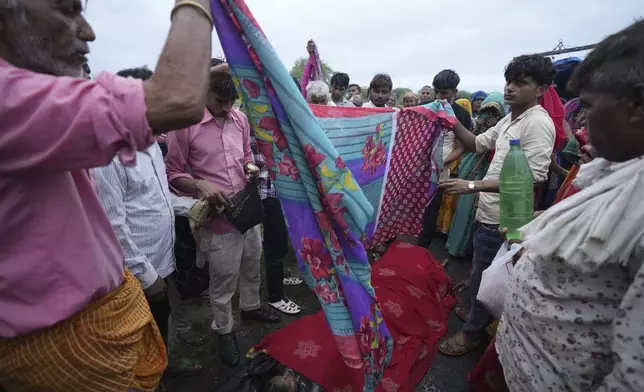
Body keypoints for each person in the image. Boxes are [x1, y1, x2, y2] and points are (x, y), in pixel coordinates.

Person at [0, 0, 214, 391]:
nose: (88, 31)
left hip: (105, 309)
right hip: (64, 345)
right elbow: (178, 97)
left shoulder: (43, 122)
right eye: (67, 9)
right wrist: (198, 5)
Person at [497, 20, 644, 391]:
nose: (579, 120)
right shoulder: (617, 170)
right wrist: (542, 221)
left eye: (589, 106)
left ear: (638, 106)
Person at [437, 54, 556, 356]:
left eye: (521, 83)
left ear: (540, 89)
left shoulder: (538, 124)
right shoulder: (509, 118)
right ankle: (479, 314)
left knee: (486, 275)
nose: (510, 89)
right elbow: (477, 143)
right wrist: (451, 120)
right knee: (481, 272)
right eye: (509, 82)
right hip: (487, 212)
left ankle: (472, 334)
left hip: (503, 219)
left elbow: (533, 179)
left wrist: (472, 185)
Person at [165, 64, 280, 368]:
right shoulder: (184, 125)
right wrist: (198, 184)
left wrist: (249, 169)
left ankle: (252, 306)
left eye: (231, 101)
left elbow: (244, 156)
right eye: (219, 100)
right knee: (223, 282)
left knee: (253, 263)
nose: (226, 107)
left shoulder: (240, 119)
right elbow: (172, 172)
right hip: (218, 220)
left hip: (248, 209)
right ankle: (224, 329)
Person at [94, 66, 203, 378]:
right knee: (136, 332)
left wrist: (193, 206)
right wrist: (146, 274)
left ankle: (163, 368)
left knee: (160, 319)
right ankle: (146, 379)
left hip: (160, 258)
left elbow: (158, 198)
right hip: (134, 271)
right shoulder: (109, 156)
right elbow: (113, 226)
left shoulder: (151, 144)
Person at [250, 130, 303, 316]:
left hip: (280, 193)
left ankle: (280, 278)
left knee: (280, 242)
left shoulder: (271, 121)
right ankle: (276, 296)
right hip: (268, 195)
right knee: (274, 244)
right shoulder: (252, 123)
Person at [446, 93, 505, 258]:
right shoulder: (504, 121)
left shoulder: (503, 122)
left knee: (470, 207)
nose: (489, 116)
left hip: (483, 167)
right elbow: (478, 142)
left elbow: (477, 140)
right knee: (468, 207)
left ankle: (461, 247)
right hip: (479, 163)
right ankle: (462, 248)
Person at [417, 69, 471, 249]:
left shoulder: (461, 114)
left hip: (442, 169)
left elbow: (461, 146)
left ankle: (421, 248)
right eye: (437, 92)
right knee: (414, 204)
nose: (440, 97)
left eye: (445, 93)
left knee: (431, 209)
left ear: (455, 92)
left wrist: (444, 162)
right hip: (419, 166)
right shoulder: (426, 108)